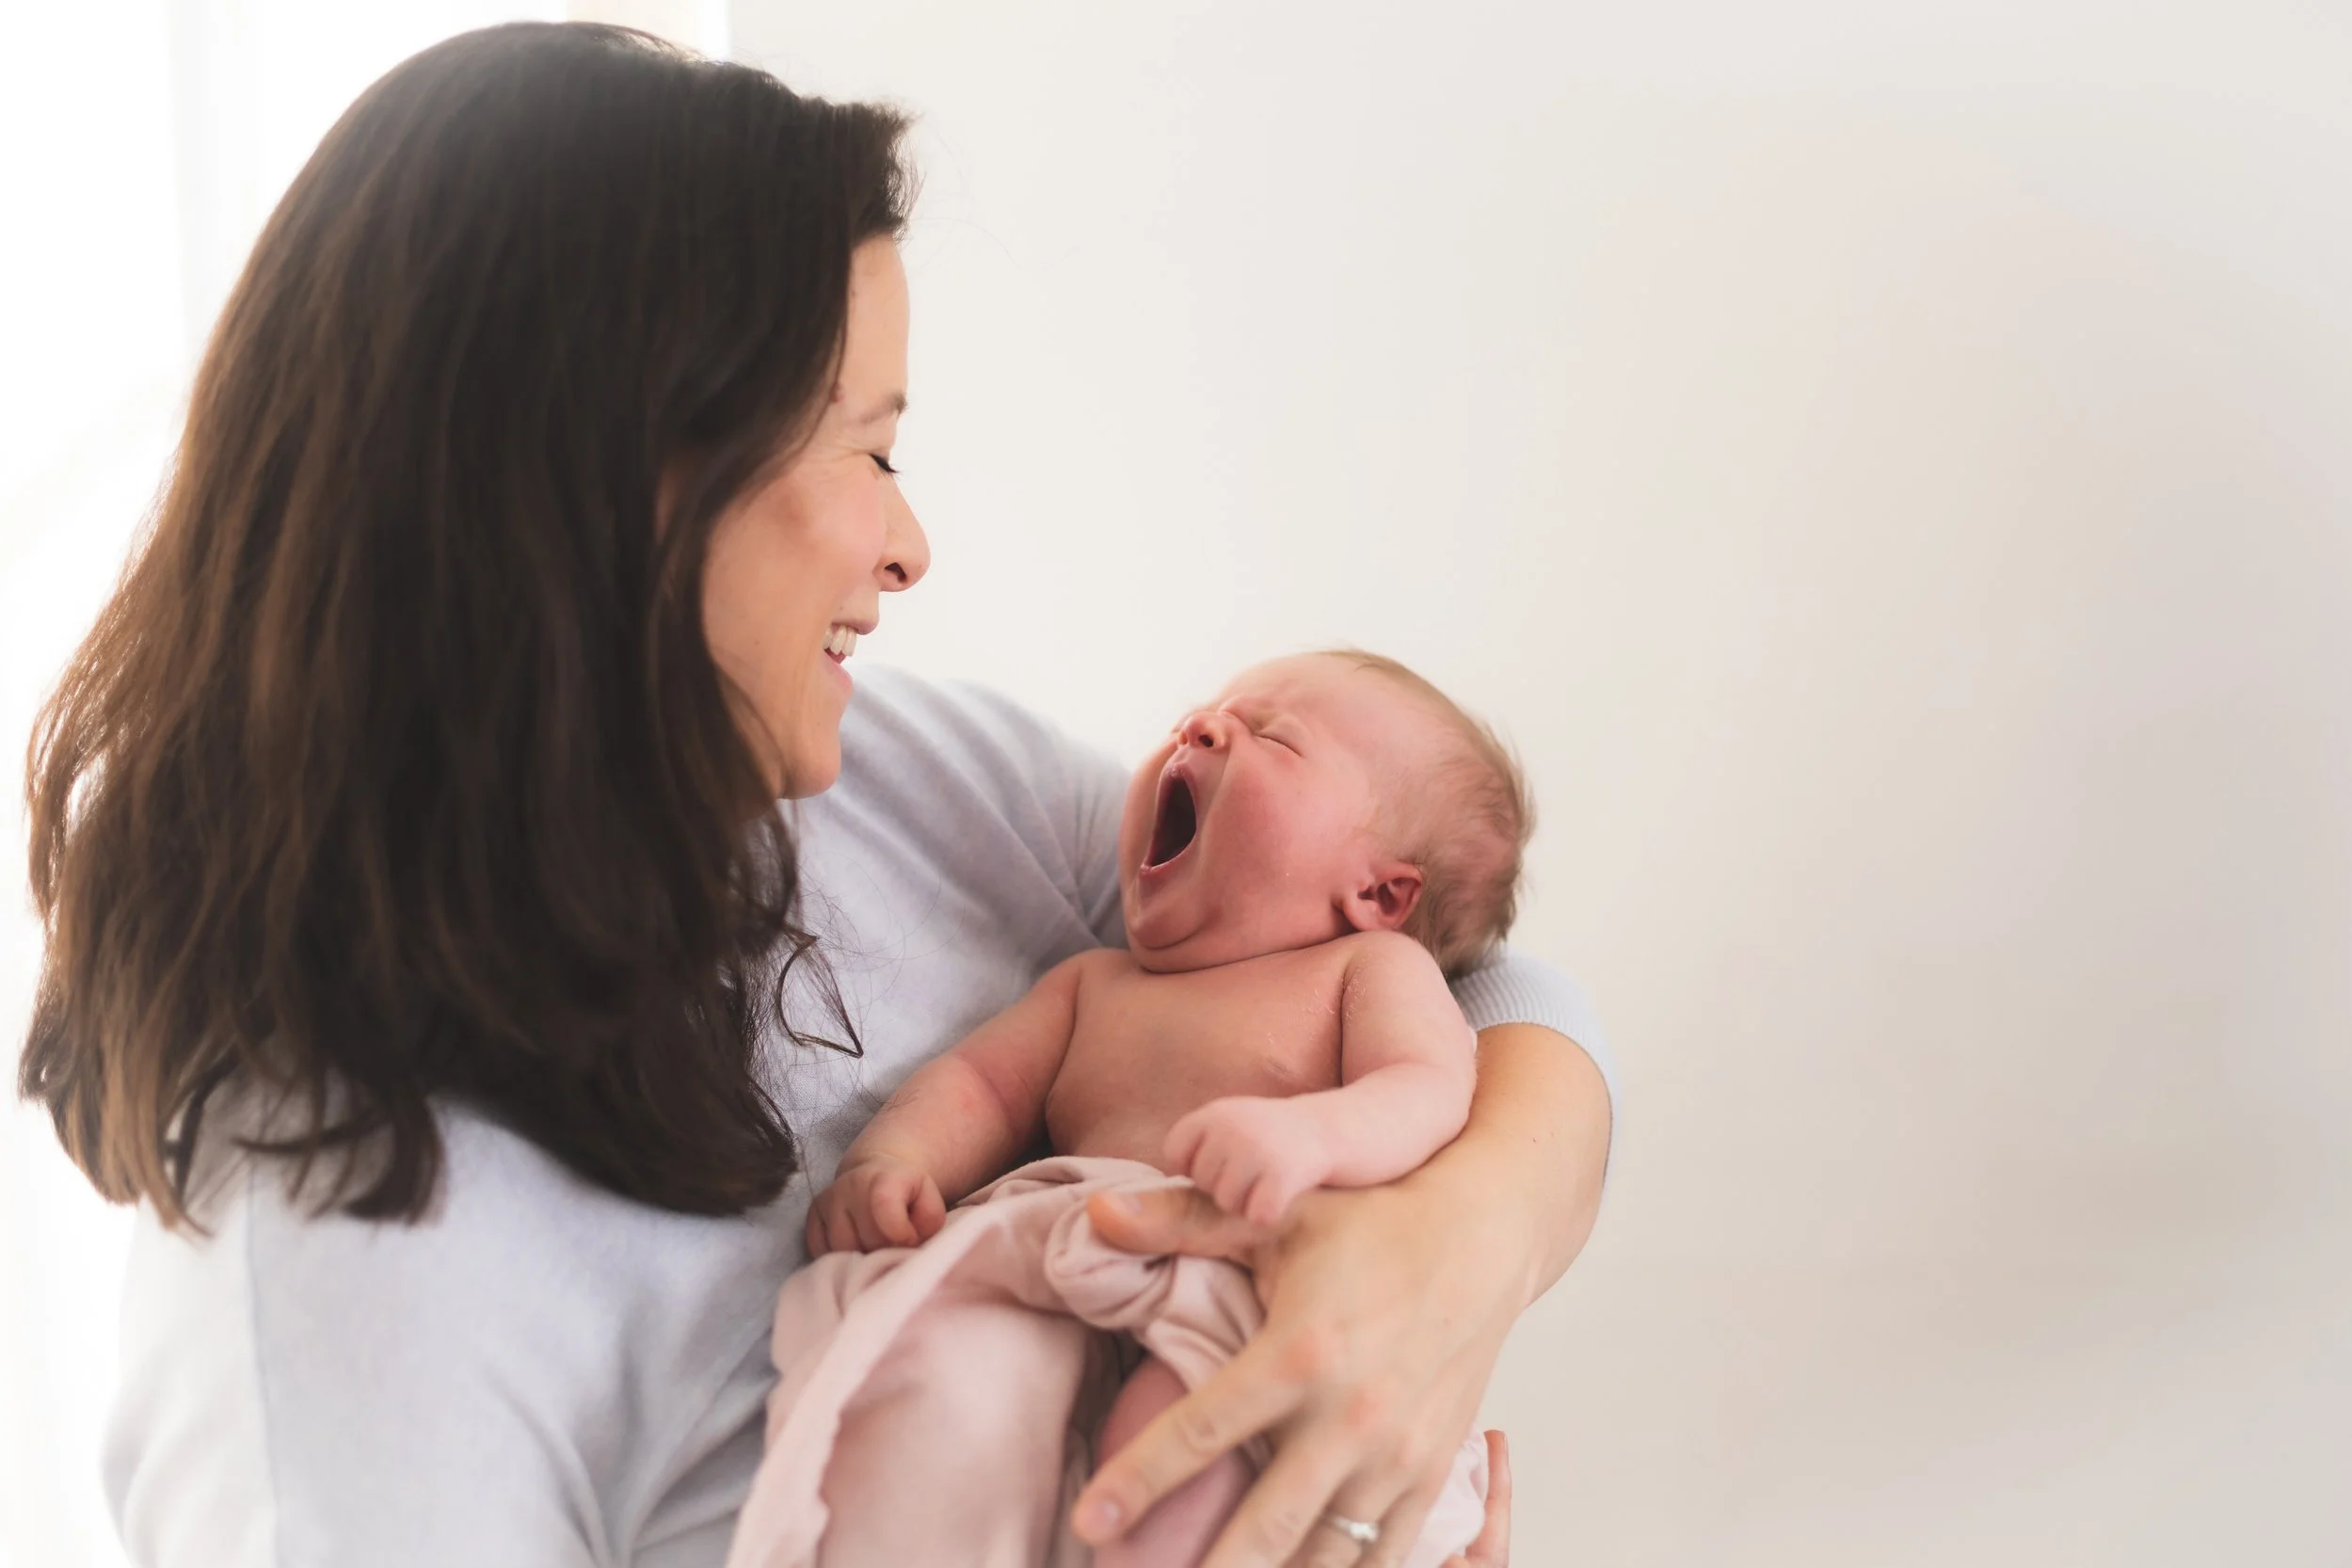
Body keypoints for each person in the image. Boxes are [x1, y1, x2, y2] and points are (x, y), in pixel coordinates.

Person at [16, 23, 1615, 1568]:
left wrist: (1456, 1250)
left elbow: (1472, 983)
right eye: (866, 450)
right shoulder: (342, 1340)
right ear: (616, 481)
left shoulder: (889, 784)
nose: (908, 548)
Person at [739, 650, 1534, 1568]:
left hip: (1257, 1281)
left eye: (1273, 735)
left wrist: (1313, 1133)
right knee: (934, 1385)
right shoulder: (1092, 987)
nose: (1200, 728)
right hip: (1064, 1266)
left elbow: (1429, 1089)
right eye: (1203, 714)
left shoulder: (1368, 973)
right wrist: (894, 1162)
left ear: (1380, 894)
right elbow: (982, 1086)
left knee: (1188, 1450)